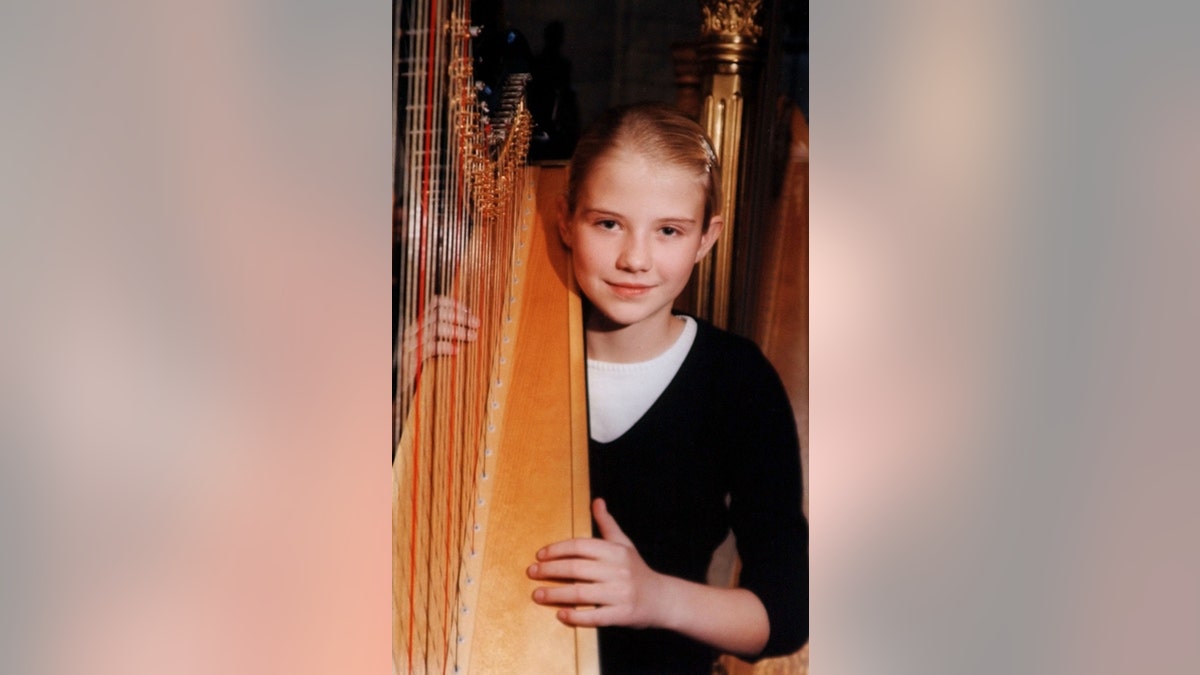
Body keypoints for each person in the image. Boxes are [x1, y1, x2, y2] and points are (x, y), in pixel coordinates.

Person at [407, 102, 808, 673]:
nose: (635, 259)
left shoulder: (737, 382)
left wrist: (655, 597)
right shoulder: (482, 359)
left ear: (706, 238)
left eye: (668, 231)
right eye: (608, 224)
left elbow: (787, 614)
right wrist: (403, 394)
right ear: (565, 221)